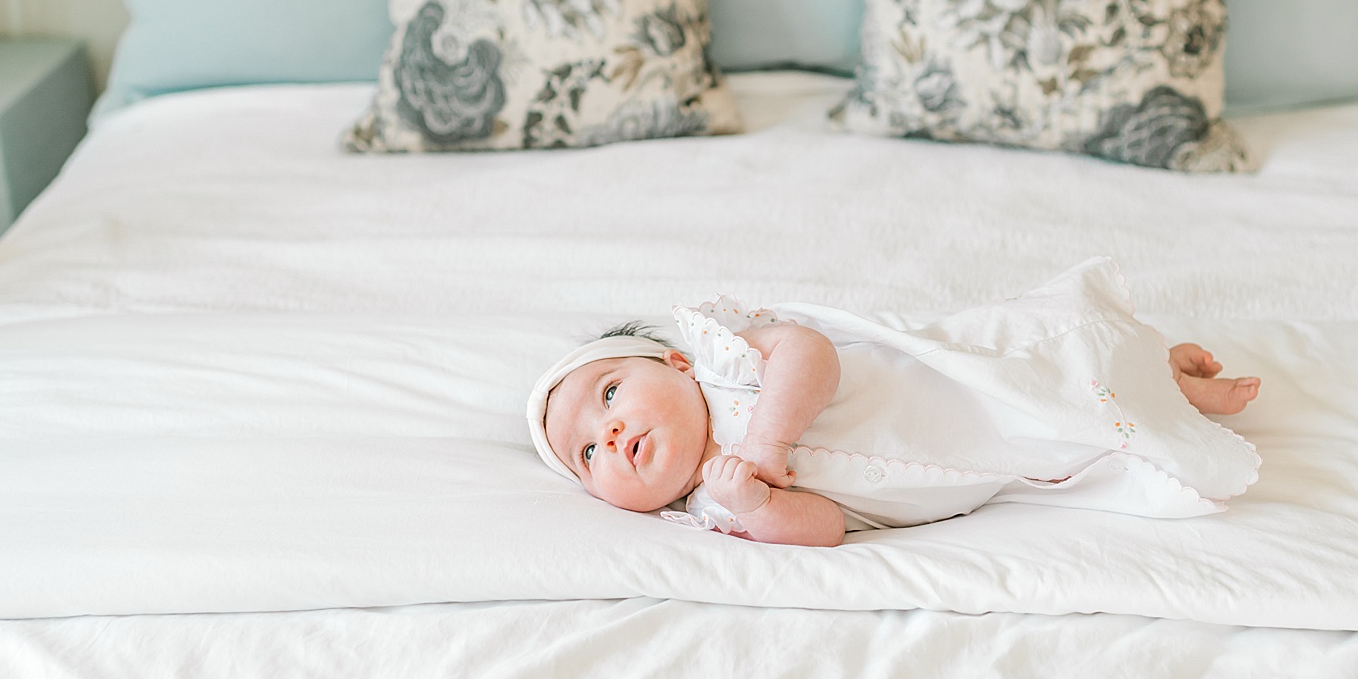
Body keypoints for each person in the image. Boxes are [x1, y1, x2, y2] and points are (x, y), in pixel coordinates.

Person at [528, 259, 1261, 548]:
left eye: (610, 393)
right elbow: (824, 528)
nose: (610, 429)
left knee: (1049, 364)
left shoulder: (729, 363)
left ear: (676, 363)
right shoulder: (712, 510)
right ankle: (1160, 389)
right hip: (965, 455)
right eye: (587, 452)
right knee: (1075, 433)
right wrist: (758, 503)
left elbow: (809, 352)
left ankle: (1161, 367)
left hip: (947, 380)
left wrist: (768, 449)